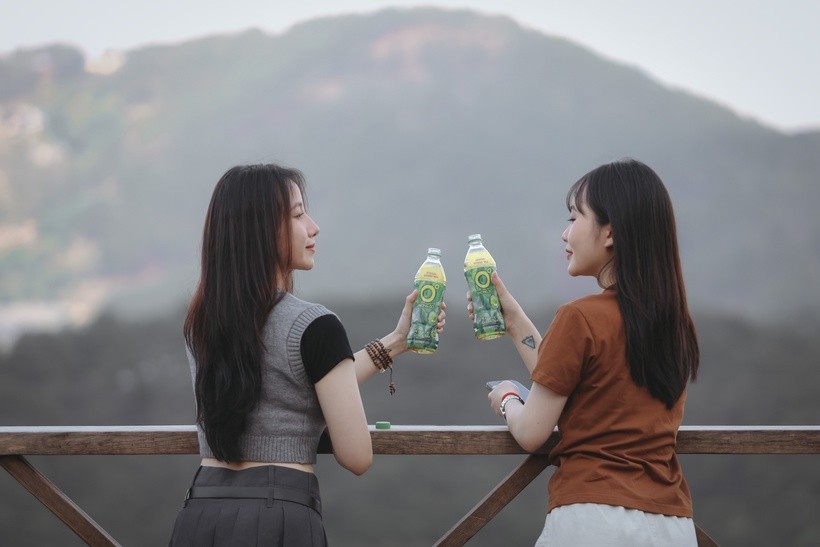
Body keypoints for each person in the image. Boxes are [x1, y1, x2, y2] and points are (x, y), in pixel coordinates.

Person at [169, 163, 445, 546]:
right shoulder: (314, 324)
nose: (313, 227)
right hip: (277, 516)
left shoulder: (201, 324)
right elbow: (356, 456)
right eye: (298, 215)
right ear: (261, 229)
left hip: (201, 514)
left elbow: (292, 380)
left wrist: (397, 341)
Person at [475, 159, 699, 546]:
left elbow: (532, 432)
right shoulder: (672, 324)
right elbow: (573, 382)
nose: (565, 234)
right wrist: (514, 320)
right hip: (671, 525)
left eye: (574, 218)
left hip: (592, 521)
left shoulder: (580, 317)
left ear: (609, 232)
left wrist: (508, 398)